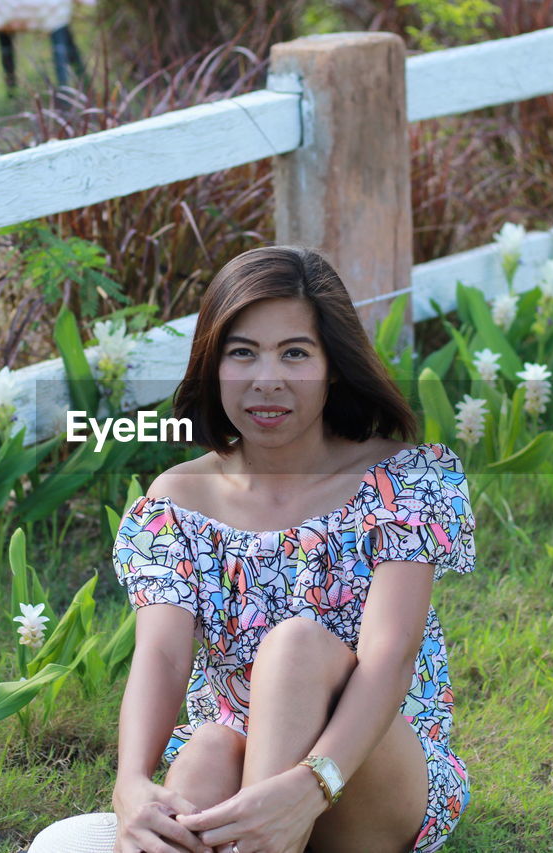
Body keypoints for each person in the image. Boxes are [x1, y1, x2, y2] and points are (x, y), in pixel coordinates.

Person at [110, 245, 475, 853]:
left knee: (297, 645)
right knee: (204, 750)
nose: (267, 380)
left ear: (333, 366)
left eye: (295, 353)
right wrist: (130, 784)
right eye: (242, 353)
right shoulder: (179, 500)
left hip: (366, 767)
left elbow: (389, 659)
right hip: (236, 755)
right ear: (213, 365)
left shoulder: (402, 481)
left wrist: (308, 787)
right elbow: (164, 658)